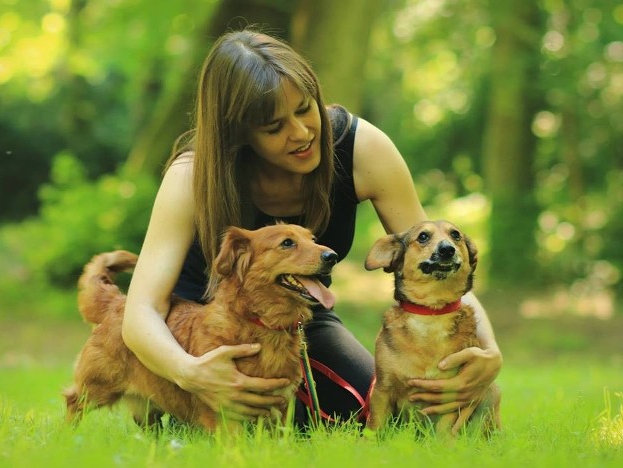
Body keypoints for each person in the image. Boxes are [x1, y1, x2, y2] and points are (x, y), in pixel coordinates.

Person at [122, 28, 502, 431]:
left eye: (305, 109)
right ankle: (165, 409)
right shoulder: (193, 175)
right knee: (241, 422)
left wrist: (489, 353)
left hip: (298, 320)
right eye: (274, 127)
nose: (301, 133)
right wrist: (189, 372)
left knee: (375, 413)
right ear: (238, 133)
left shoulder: (363, 149)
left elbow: (437, 267)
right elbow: (141, 310)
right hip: (200, 331)